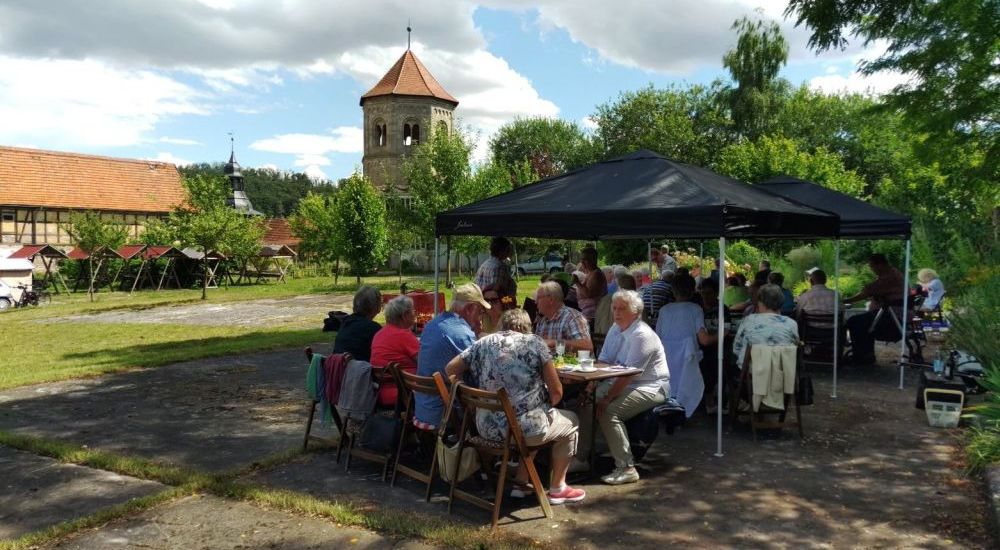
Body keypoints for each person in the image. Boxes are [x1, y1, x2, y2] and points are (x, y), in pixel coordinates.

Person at [445, 309, 586, 505]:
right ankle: (558, 487)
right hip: (520, 430)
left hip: (485, 427)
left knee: (534, 418)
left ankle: (522, 482)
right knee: (568, 420)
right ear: (527, 328)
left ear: (502, 325)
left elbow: (450, 369)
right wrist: (543, 401)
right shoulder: (535, 342)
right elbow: (557, 392)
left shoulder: (484, 342)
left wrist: (467, 394)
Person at [579, 290, 670, 485]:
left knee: (608, 411)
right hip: (620, 381)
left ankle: (626, 467)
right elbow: (603, 361)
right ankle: (581, 458)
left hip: (651, 386)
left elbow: (629, 375)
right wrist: (592, 385)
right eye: (615, 308)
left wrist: (606, 398)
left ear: (636, 313)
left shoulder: (642, 335)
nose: (617, 312)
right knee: (587, 403)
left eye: (622, 308)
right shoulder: (615, 328)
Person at [414, 283, 490, 428]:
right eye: (480, 312)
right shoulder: (461, 334)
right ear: (469, 309)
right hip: (447, 414)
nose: (481, 317)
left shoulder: (432, 324)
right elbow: (483, 372)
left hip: (424, 409)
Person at [654, 274, 709, 417]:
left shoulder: (664, 310)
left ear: (673, 291)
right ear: (692, 291)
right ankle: (707, 401)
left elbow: (657, 338)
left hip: (666, 360)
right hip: (688, 359)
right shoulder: (696, 309)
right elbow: (703, 339)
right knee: (710, 361)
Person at [844, 254, 905, 365]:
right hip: (892, 315)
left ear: (880, 265)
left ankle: (861, 356)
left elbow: (868, 290)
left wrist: (844, 301)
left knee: (854, 321)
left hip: (892, 318)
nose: (872, 270)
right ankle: (866, 354)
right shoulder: (893, 273)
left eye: (872, 266)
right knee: (862, 320)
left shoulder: (889, 277)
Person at [732, 284, 800, 367]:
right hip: (781, 372)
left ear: (760, 302)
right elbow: (794, 348)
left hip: (752, 372)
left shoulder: (748, 320)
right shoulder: (791, 323)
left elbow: (736, 349)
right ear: (781, 302)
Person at [370, 295, 420, 407]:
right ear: (404, 316)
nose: (415, 313)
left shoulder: (379, 334)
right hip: (404, 394)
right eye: (413, 310)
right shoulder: (403, 335)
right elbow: (425, 363)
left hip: (380, 391)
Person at [534, 281, 593, 354]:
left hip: (573, 364)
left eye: (538, 298)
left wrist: (556, 343)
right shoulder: (543, 321)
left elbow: (587, 347)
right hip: (550, 364)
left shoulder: (572, 317)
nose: (535, 302)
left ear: (551, 299)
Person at [332, 285, 382, 362]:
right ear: (376, 306)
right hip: (359, 372)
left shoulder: (346, 322)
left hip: (337, 371)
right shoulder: (374, 329)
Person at [574, 246, 608, 322]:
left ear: (593, 259)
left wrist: (577, 282)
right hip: (588, 314)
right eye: (581, 259)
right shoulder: (590, 272)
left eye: (585, 259)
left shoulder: (596, 274)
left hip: (593, 316)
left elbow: (588, 294)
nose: (582, 262)